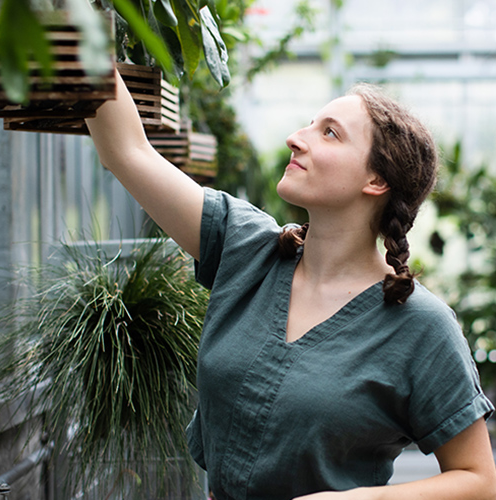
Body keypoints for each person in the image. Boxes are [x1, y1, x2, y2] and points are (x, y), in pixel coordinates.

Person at [86, 70, 496, 500]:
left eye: (330, 133)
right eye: (309, 124)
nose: (295, 138)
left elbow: (478, 479)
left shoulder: (420, 326)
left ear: (376, 181)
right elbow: (127, 151)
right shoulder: (247, 249)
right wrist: (83, 27)